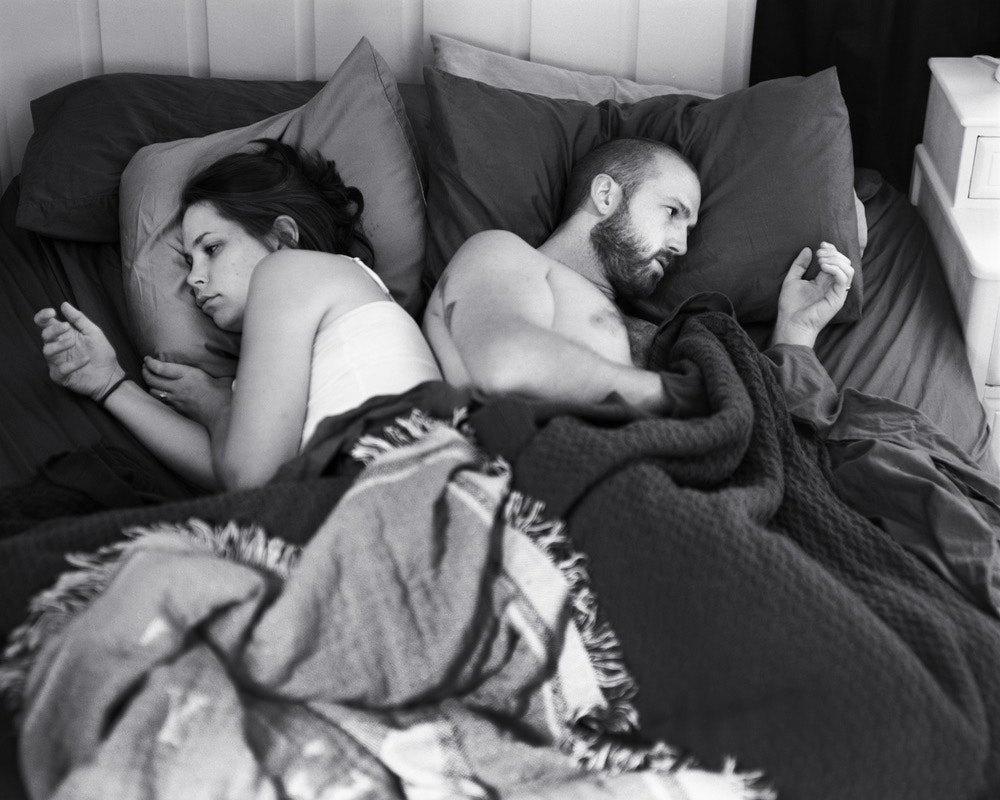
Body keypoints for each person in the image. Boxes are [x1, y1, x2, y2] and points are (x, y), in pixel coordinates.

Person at [35, 139, 441, 491]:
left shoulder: (290, 270)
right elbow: (228, 469)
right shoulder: (285, 344)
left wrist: (215, 407)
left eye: (212, 249)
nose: (193, 278)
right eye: (189, 260)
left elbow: (249, 476)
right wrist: (109, 384)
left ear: (282, 237)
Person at [423, 137, 854, 408]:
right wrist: (684, 397)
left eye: (689, 230)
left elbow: (776, 420)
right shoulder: (502, 253)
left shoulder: (652, 333)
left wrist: (796, 333)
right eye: (672, 212)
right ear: (606, 195)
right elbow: (502, 364)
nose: (681, 246)